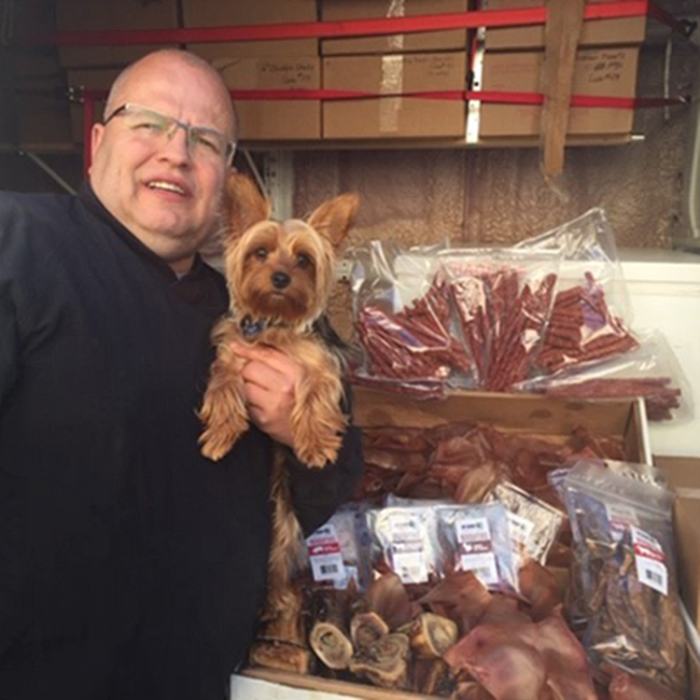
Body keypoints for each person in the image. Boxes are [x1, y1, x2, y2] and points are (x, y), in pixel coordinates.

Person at [0, 49, 363, 700]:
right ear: (99, 141)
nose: (176, 152)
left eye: (204, 139)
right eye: (150, 123)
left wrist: (295, 427)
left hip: (200, 678)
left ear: (225, 178)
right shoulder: (18, 242)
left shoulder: (247, 306)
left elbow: (327, 480)